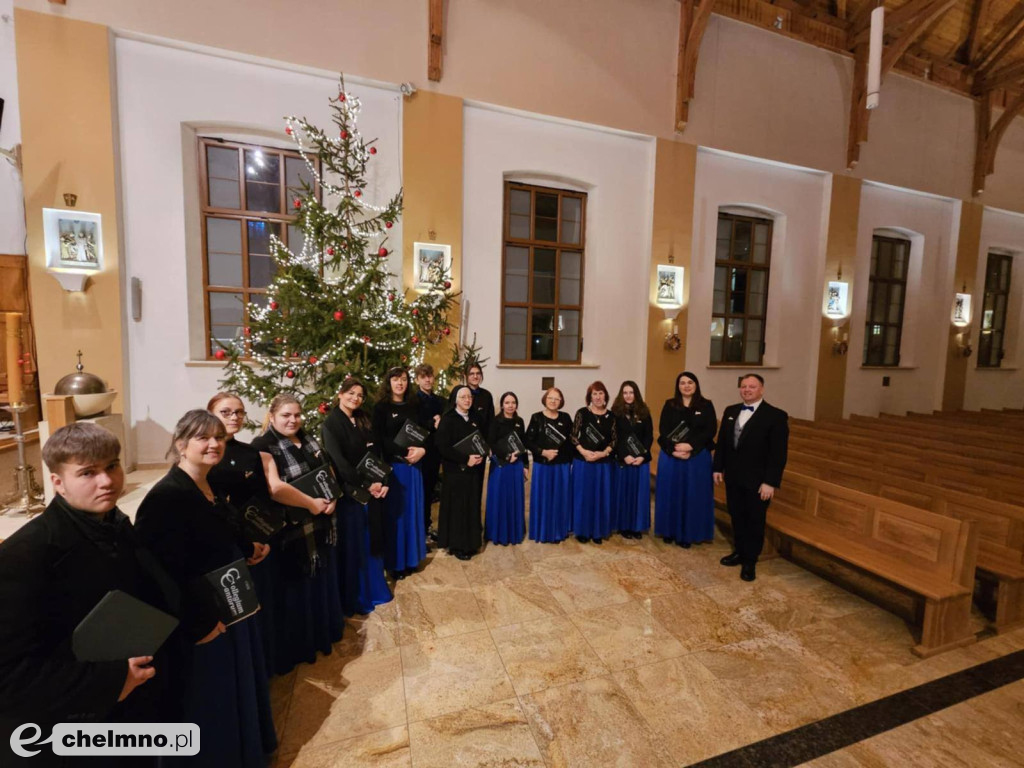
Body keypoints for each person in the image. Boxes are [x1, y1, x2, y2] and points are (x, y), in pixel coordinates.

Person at [0, 424, 174, 768]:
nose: (107, 481)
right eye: (87, 473)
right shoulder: (24, 555)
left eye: (112, 466)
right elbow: (10, 676)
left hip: (134, 712)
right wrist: (109, 682)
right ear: (58, 482)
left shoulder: (116, 524)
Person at [135, 411, 276, 767]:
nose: (213, 444)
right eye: (202, 438)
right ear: (181, 445)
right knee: (213, 695)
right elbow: (161, 574)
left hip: (230, 599)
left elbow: (220, 530)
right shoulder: (165, 498)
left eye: (217, 437)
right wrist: (197, 620)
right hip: (203, 614)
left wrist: (247, 548)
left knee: (237, 683)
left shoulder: (211, 483)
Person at [250, 394, 344, 670]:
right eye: (286, 416)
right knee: (299, 589)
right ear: (273, 415)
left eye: (297, 415)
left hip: (321, 526)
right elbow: (275, 488)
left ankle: (324, 633)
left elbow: (328, 472)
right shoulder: (263, 445)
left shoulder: (309, 439)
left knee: (320, 581)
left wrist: (333, 497)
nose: (293, 420)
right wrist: (311, 504)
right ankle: (304, 645)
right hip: (294, 532)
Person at [206, 392, 277, 673]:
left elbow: (262, 499)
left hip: (257, 543)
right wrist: (245, 545)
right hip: (228, 549)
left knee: (261, 607)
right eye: (226, 412)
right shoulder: (207, 455)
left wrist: (263, 538)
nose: (234, 417)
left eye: (239, 412)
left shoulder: (249, 453)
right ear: (210, 414)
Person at [321, 377, 393, 615]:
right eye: (351, 393)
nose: (355, 398)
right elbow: (340, 464)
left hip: (372, 489)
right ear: (340, 394)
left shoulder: (363, 419)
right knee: (356, 544)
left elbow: (376, 453)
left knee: (372, 539)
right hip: (351, 494)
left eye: (360, 395)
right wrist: (366, 484)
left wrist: (382, 480)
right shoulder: (330, 424)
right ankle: (357, 597)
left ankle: (376, 590)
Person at [713, 373, 789, 582]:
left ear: (761, 389)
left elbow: (778, 454)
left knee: (755, 519)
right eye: (744, 386)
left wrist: (770, 482)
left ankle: (750, 561)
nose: (747, 390)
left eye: (752, 387)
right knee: (737, 515)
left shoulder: (775, 416)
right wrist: (717, 467)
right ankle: (739, 551)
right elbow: (722, 444)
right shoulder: (731, 411)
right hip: (734, 477)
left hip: (758, 481)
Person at [373, 366, 427, 579]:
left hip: (414, 467)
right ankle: (395, 563)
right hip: (394, 469)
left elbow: (426, 432)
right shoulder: (381, 408)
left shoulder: (416, 405)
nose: (400, 383)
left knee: (412, 514)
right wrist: (404, 451)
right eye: (395, 379)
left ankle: (411, 559)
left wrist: (422, 450)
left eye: (403, 379)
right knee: (397, 516)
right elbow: (379, 439)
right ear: (389, 382)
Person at [654, 372, 718, 548]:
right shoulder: (670, 404)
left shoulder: (706, 405)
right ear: (678, 386)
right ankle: (668, 531)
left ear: (696, 385)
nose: (686, 386)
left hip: (696, 458)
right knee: (670, 493)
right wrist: (673, 449)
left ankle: (690, 533)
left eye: (690, 382)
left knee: (692, 495)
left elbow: (710, 430)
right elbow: (663, 429)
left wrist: (691, 447)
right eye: (682, 383)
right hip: (672, 457)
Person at [435, 385, 485, 559]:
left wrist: (480, 455)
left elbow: (481, 440)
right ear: (455, 399)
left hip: (473, 472)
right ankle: (457, 546)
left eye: (469, 397)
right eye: (463, 397)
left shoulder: (476, 418)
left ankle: (471, 543)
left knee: (471, 506)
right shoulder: (448, 419)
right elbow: (442, 447)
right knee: (457, 509)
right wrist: (465, 460)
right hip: (455, 472)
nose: (467, 400)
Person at [524, 388, 575, 543]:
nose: (553, 401)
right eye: (550, 398)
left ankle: (559, 531)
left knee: (560, 498)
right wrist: (543, 452)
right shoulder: (536, 417)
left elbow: (571, 441)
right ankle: (542, 530)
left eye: (557, 399)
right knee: (543, 498)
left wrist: (570, 462)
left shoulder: (566, 418)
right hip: (542, 465)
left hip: (561, 466)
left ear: (561, 401)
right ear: (545, 399)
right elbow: (527, 440)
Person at [571, 381, 618, 544]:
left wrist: (602, 453)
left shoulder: (611, 416)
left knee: (600, 497)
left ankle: (598, 531)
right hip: (583, 463)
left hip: (603, 464)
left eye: (600, 393)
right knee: (583, 497)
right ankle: (582, 531)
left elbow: (614, 440)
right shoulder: (582, 413)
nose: (598, 397)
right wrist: (584, 452)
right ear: (589, 397)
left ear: (605, 395)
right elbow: (573, 436)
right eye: (594, 394)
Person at [610, 380, 653, 539]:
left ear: (636, 394)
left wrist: (642, 455)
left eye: (631, 392)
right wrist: (624, 455)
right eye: (625, 392)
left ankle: (637, 526)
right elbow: (615, 437)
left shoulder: (644, 412)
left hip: (640, 460)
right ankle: (624, 526)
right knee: (623, 494)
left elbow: (649, 436)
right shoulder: (615, 413)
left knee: (638, 495)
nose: (628, 396)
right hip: (623, 460)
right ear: (621, 395)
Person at [485, 391, 529, 545]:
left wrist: (525, 465)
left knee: (514, 499)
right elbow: (491, 443)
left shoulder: (520, 421)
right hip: (500, 466)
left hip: (516, 466)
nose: (510, 405)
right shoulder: (495, 421)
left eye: (513, 402)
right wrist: (506, 456)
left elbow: (523, 445)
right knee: (500, 498)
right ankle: (499, 533)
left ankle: (514, 532)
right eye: (507, 402)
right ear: (502, 405)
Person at [414, 363, 445, 538]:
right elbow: (414, 426)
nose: (427, 380)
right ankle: (420, 530)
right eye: (423, 377)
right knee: (421, 492)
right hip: (420, 451)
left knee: (431, 491)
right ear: (417, 379)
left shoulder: (440, 401)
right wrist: (432, 423)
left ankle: (427, 526)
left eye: (430, 376)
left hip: (435, 451)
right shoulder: (413, 401)